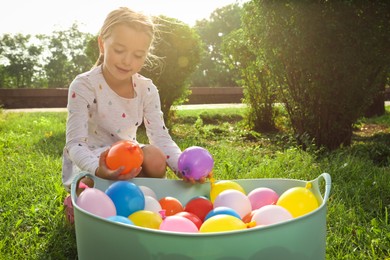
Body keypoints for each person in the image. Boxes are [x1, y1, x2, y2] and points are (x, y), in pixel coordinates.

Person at [61, 7, 193, 224]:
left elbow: (160, 138)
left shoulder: (146, 89)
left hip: (127, 157)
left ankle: (144, 201)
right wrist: (98, 169)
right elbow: (75, 144)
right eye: (119, 50)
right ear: (102, 44)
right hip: (93, 160)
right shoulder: (84, 85)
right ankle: (81, 199)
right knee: (91, 185)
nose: (127, 61)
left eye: (138, 55)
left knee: (155, 157)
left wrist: (183, 169)